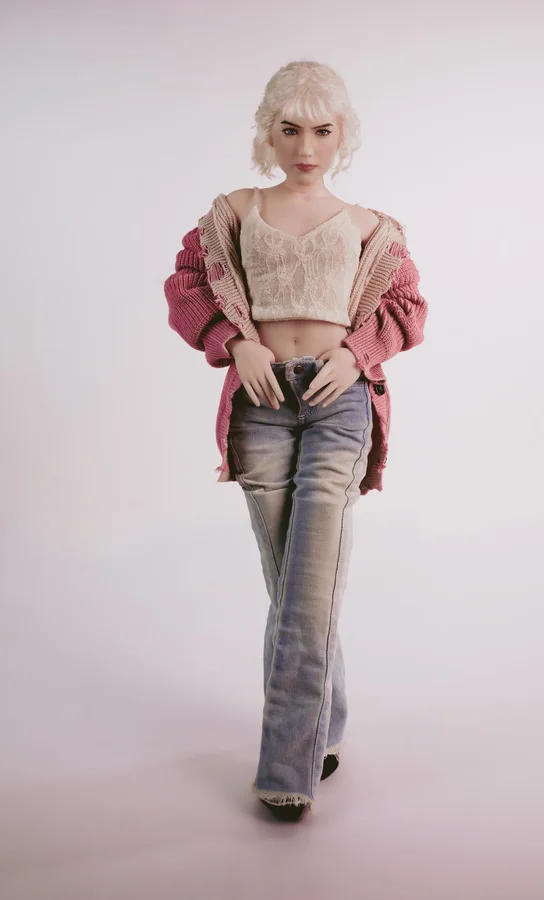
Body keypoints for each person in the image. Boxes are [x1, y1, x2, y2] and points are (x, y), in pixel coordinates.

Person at [164, 60, 429, 822]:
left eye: (321, 130)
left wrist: (356, 354)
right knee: (294, 588)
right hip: (262, 406)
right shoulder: (233, 212)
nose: (305, 147)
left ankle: (287, 769)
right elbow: (185, 286)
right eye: (289, 129)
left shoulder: (371, 227)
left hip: (340, 405)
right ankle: (326, 722)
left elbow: (408, 307)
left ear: (343, 135)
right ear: (268, 133)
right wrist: (234, 343)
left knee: (305, 591)